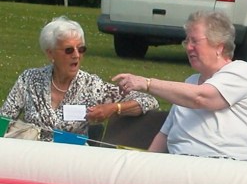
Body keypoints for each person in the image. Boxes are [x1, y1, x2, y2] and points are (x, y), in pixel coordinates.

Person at [113, 11, 247, 161]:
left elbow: (201, 98)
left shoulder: (240, 72)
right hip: (183, 167)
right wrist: (146, 164)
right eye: (187, 41)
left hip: (233, 168)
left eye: (195, 41)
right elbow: (165, 135)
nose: (188, 47)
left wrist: (147, 83)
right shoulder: (190, 83)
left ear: (219, 47)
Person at [1, 16, 157, 141]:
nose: (76, 55)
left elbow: (149, 101)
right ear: (50, 53)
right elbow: (4, 119)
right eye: (69, 50)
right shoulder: (29, 79)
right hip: (31, 157)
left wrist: (113, 108)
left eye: (81, 49)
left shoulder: (91, 85)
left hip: (71, 160)